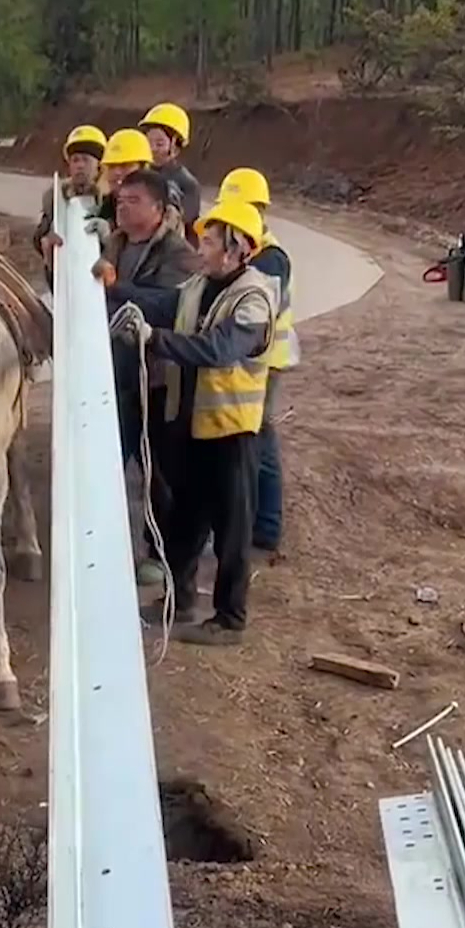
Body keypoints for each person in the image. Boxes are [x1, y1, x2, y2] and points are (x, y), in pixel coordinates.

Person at [101, 198, 277, 645]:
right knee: (186, 519)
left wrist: (152, 339)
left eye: (212, 241)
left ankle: (230, 619)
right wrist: (115, 288)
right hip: (195, 426)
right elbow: (167, 303)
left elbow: (217, 350)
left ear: (237, 248)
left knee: (231, 527)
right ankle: (178, 599)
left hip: (232, 430)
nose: (201, 248)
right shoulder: (203, 283)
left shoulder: (253, 299)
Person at [93, 168, 195, 586]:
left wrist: (118, 289)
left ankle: (161, 555)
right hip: (118, 375)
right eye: (120, 199)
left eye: (133, 200)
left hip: (157, 379)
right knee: (111, 462)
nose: (122, 205)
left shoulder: (178, 253)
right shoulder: (114, 245)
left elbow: (171, 306)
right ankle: (105, 547)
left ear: (158, 209)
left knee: (159, 472)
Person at [218, 167, 298, 552]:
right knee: (257, 439)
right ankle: (262, 524)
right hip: (257, 360)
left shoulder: (270, 260)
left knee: (258, 441)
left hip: (264, 362)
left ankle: (265, 526)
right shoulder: (259, 252)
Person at [33, 124, 105, 283]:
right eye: (75, 160)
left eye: (85, 160)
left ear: (99, 165)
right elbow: (39, 236)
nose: (79, 165)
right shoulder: (56, 197)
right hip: (66, 279)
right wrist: (46, 240)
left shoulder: (110, 198)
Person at [139, 103, 201, 234]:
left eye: (159, 143)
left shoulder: (187, 184)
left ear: (176, 145)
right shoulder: (138, 176)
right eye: (148, 142)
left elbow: (186, 219)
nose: (152, 148)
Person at [88, 127, 154, 240]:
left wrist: (110, 239)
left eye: (125, 166)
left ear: (143, 168)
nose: (117, 172)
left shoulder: (160, 212)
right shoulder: (105, 207)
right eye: (112, 167)